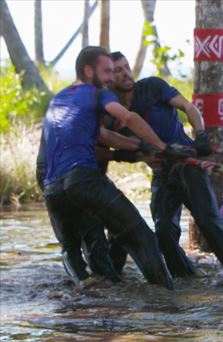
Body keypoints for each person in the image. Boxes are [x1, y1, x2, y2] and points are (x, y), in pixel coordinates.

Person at [41, 46, 177, 289]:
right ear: (88, 70)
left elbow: (104, 135)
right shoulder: (96, 94)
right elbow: (128, 118)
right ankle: (168, 301)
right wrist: (162, 147)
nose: (111, 78)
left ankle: (91, 292)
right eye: (107, 72)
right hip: (83, 179)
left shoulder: (58, 99)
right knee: (142, 236)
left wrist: (142, 147)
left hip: (53, 189)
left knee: (71, 249)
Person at [110, 51, 223, 280]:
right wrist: (145, 158)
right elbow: (127, 148)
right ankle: (186, 278)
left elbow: (189, 108)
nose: (126, 73)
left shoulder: (152, 87)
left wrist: (201, 136)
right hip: (162, 173)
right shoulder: (113, 109)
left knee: (209, 224)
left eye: (126, 67)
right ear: (109, 77)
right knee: (164, 230)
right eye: (118, 70)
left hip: (189, 168)